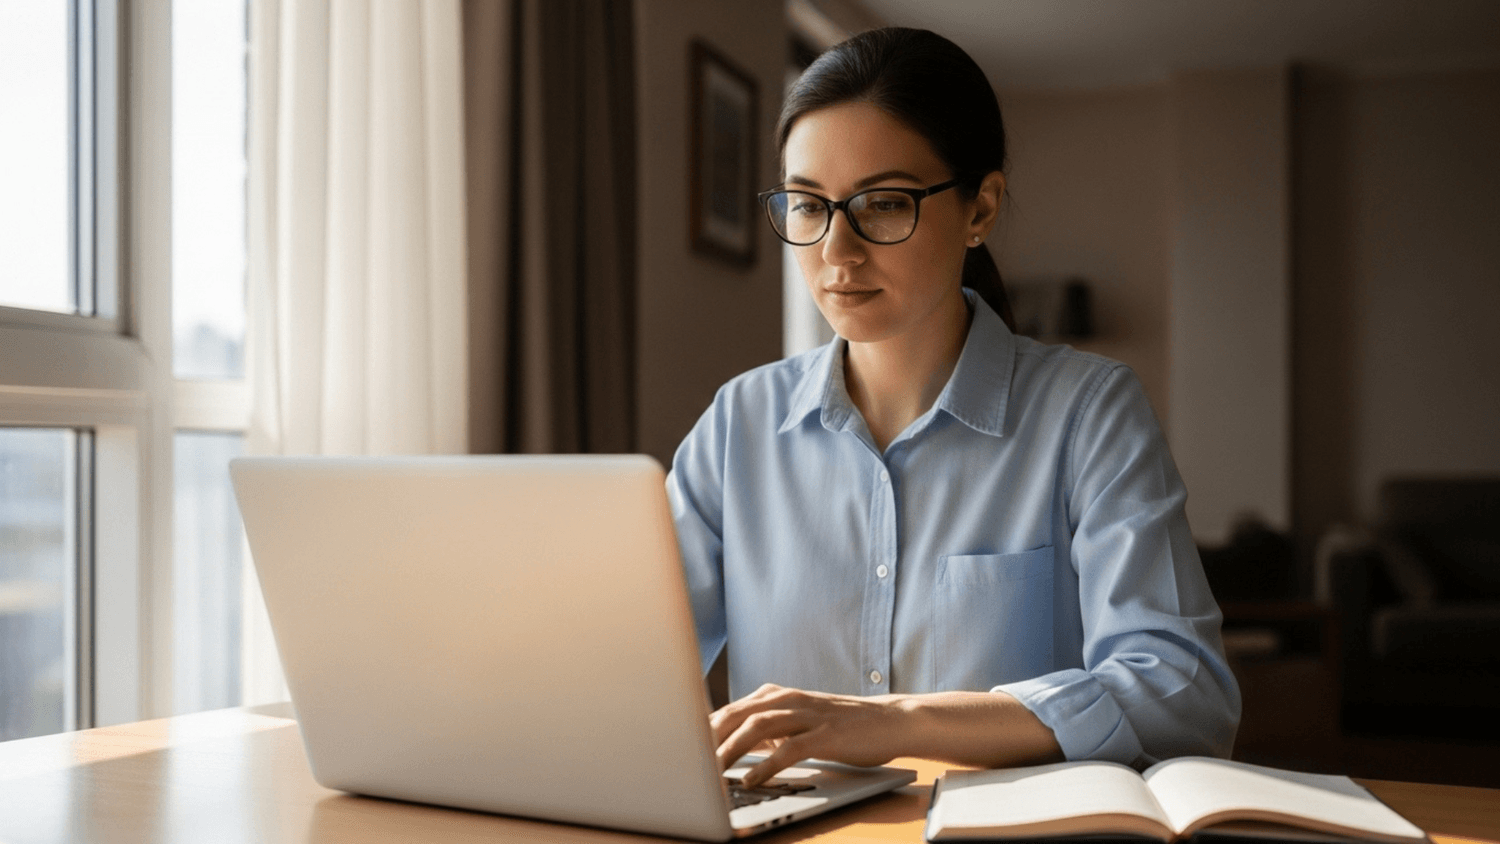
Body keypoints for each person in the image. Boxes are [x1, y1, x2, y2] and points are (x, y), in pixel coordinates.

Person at [666, 27, 1240, 789]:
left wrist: (894, 723)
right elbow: (626, 668)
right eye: (808, 205)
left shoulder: (1088, 413)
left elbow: (1185, 691)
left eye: (883, 203)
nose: (837, 250)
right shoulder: (737, 426)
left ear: (981, 208)